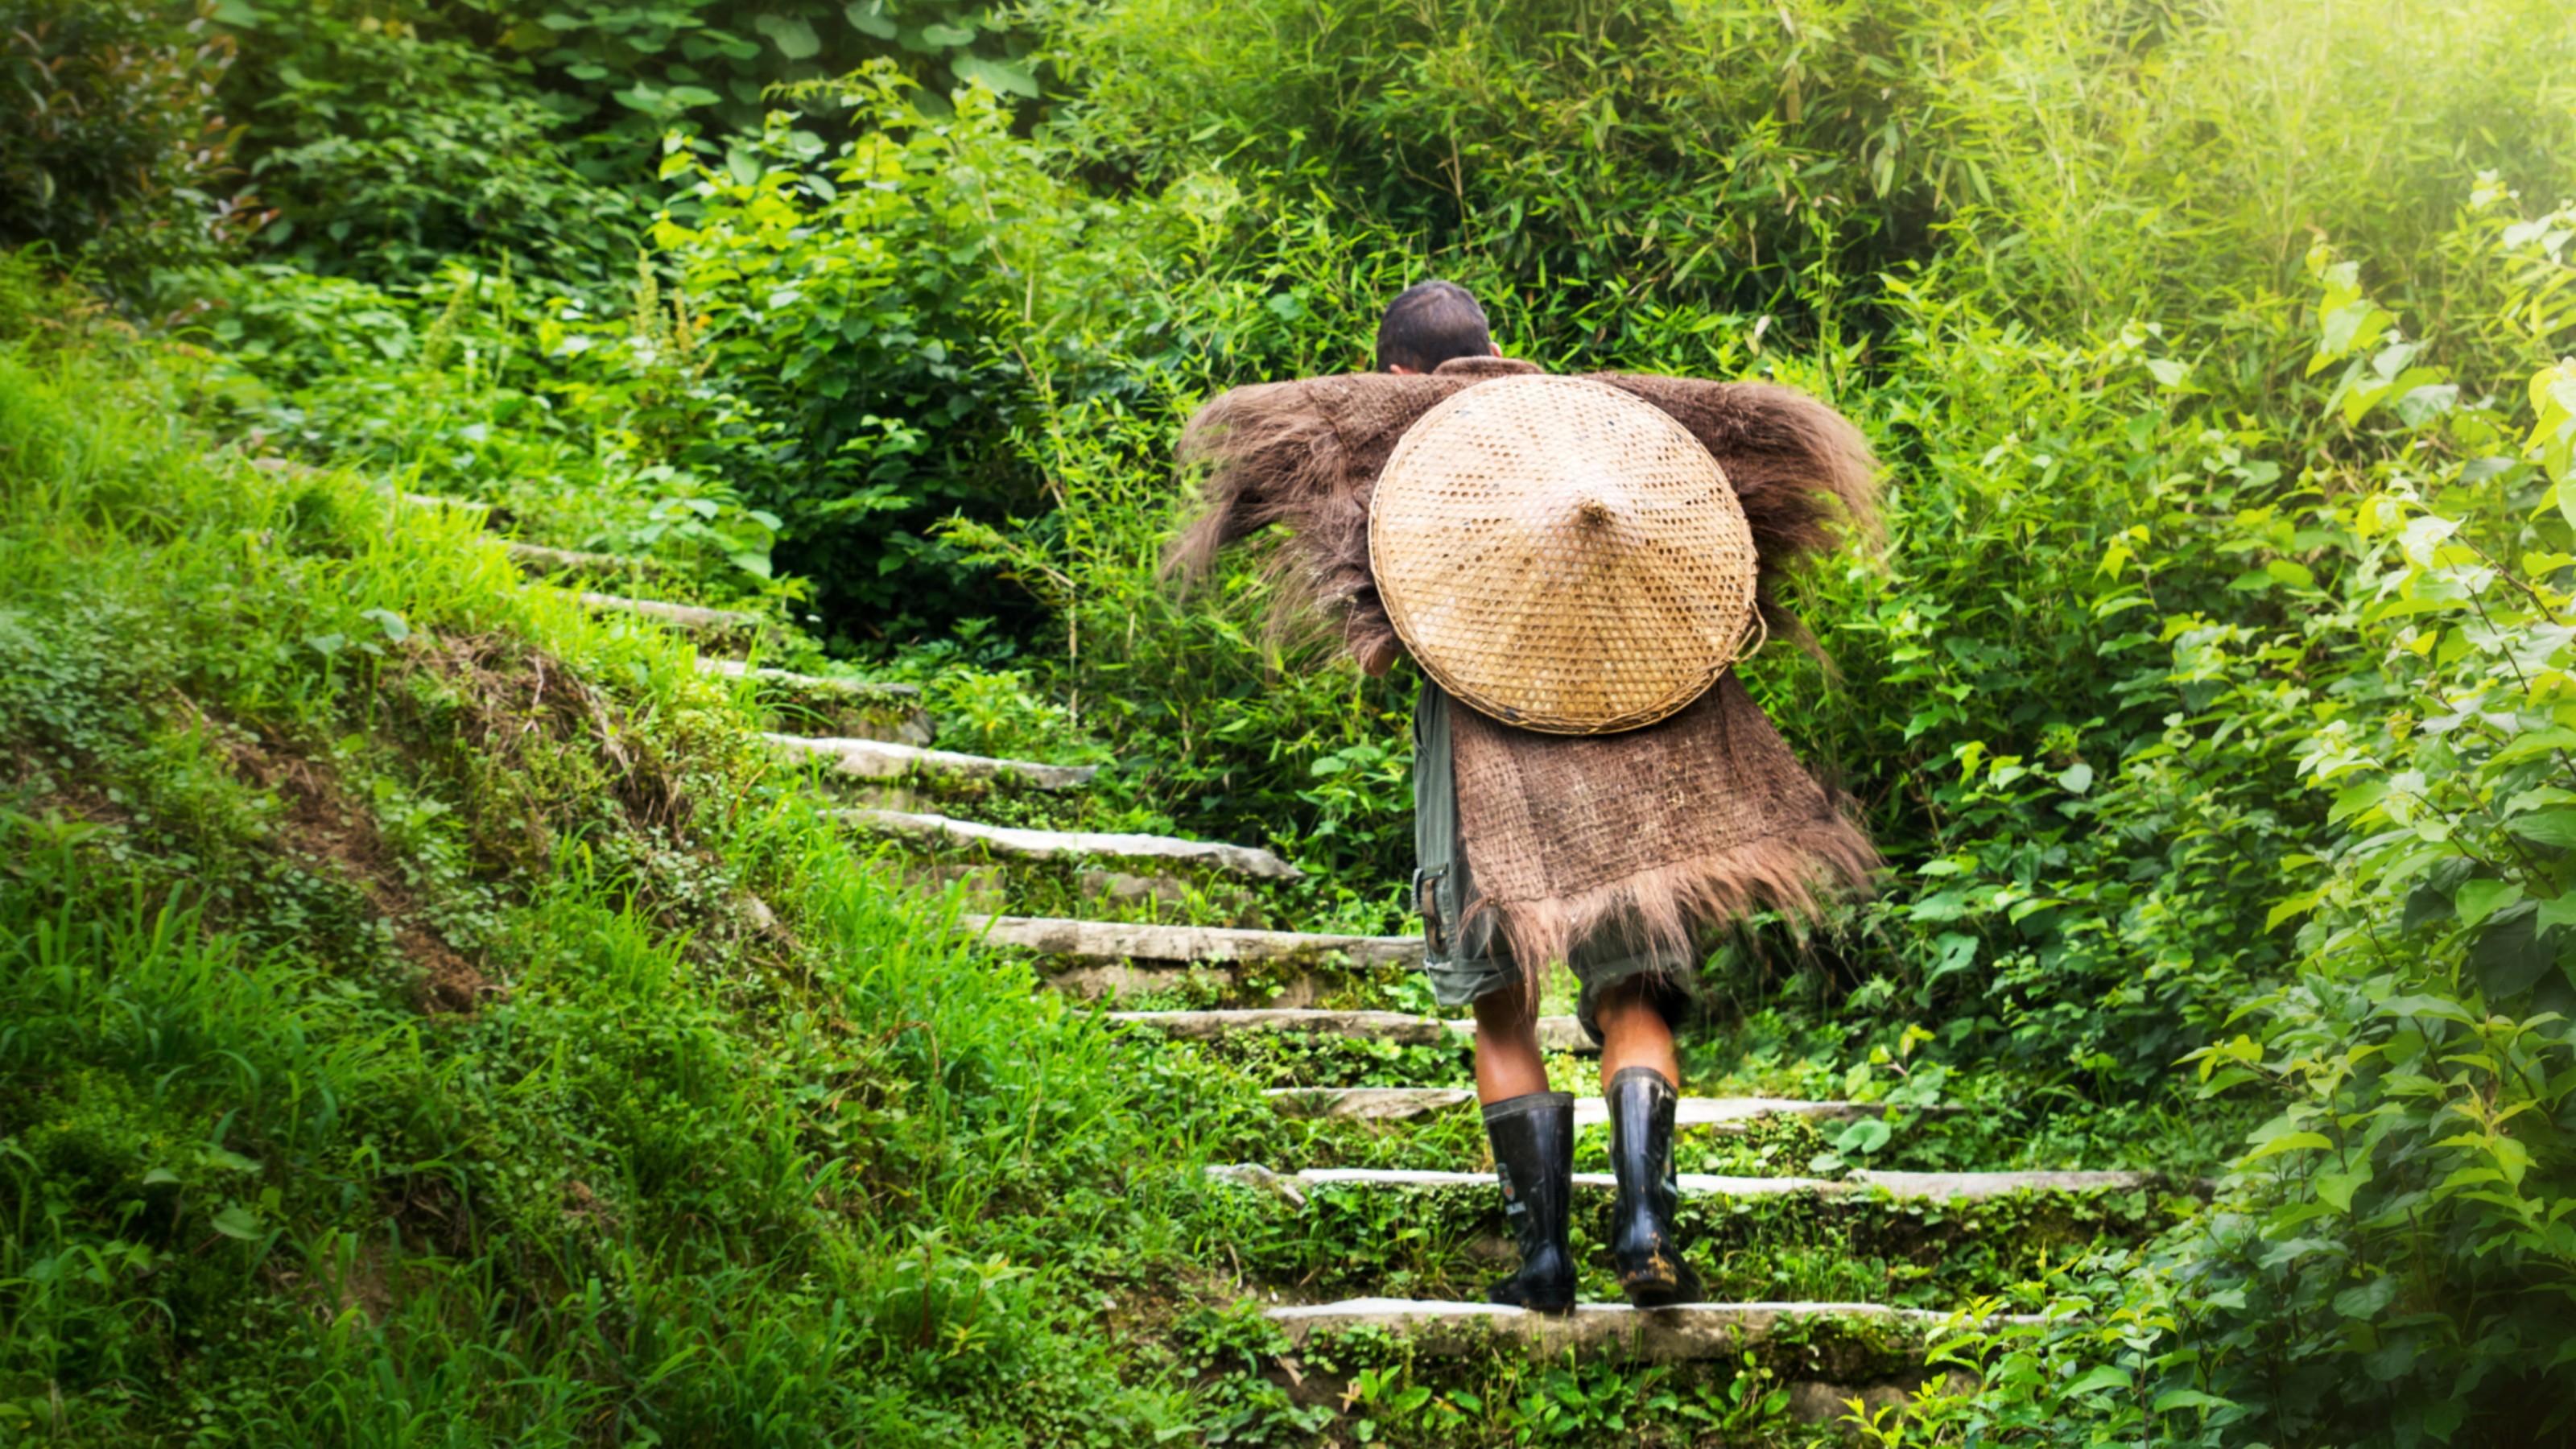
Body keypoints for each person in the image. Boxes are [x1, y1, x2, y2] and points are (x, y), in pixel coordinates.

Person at [1172, 279, 1880, 1312]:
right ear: (1496, 346)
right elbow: (1748, 430)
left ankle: (1544, 1264)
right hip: (1640, 747)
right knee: (1635, 994)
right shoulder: (1607, 425)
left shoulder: (1400, 421)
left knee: (1500, 1007)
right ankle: (1645, 1230)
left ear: (1400, 372)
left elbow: (1288, 436)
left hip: (1482, 755)